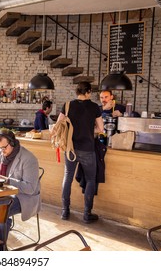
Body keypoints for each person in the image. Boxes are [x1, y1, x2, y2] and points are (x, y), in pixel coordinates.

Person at [0, 128, 40, 242]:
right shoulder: (0, 151)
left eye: (4, 148)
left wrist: (5, 180)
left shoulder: (29, 159)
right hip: (4, 192)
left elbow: (30, 188)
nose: (2, 151)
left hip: (24, 197)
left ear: (12, 143)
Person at [57, 82, 104, 223]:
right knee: (90, 179)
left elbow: (59, 124)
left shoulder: (67, 105)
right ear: (88, 91)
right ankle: (86, 214)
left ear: (77, 91)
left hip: (71, 148)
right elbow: (100, 129)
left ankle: (65, 211)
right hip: (88, 149)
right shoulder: (94, 107)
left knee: (68, 177)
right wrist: (90, 130)